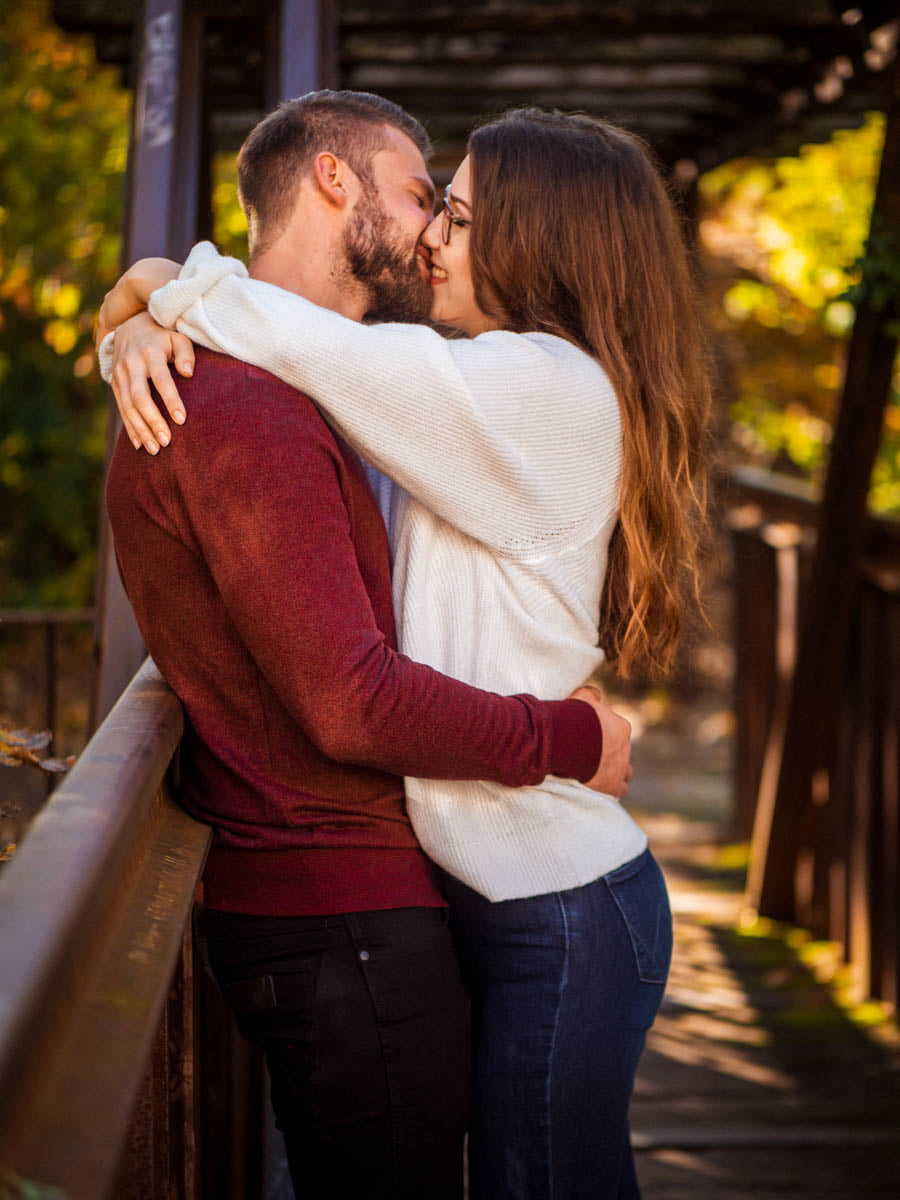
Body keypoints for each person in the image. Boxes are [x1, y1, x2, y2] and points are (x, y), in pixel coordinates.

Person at [101, 98, 711, 1199]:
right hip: (489, 879)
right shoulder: (456, 379)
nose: (435, 236)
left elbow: (287, 330)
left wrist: (148, 302)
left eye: (460, 217)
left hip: (557, 898)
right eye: (436, 205)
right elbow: (292, 334)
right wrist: (145, 304)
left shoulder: (539, 389)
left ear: (540, 242)